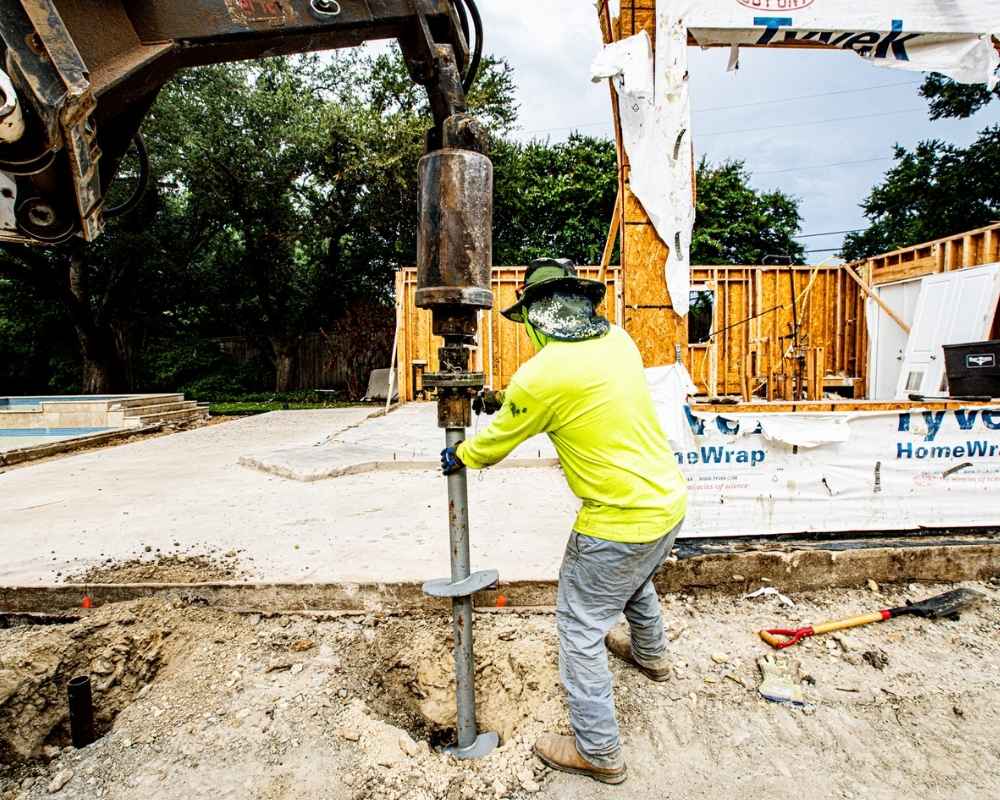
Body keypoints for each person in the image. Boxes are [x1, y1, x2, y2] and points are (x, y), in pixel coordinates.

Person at [439, 258, 688, 784]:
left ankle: (599, 752)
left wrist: (461, 457)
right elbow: (576, 391)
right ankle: (653, 657)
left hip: (615, 523)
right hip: (667, 504)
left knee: (580, 627)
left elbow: (493, 445)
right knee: (635, 579)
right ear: (582, 306)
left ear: (533, 319)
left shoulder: (541, 377)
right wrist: (506, 399)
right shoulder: (617, 341)